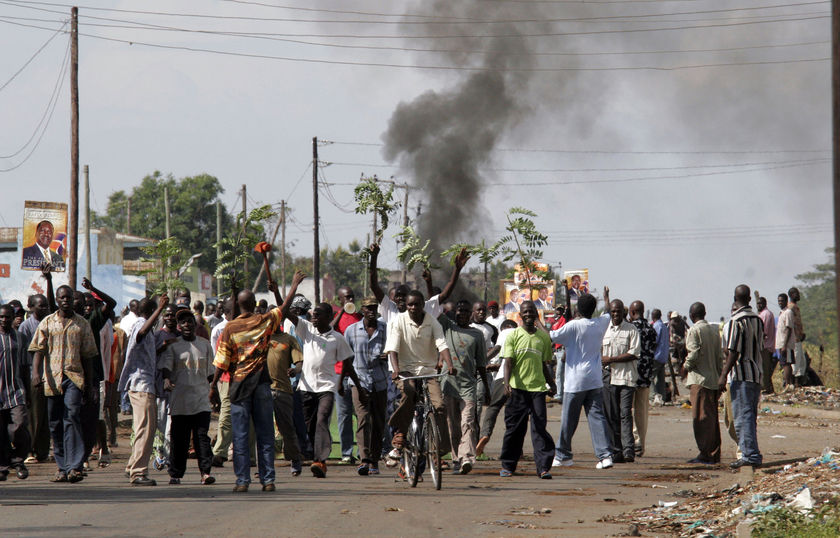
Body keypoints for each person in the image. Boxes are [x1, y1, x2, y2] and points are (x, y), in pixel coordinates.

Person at [212, 273, 300, 493]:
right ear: (253, 304)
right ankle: (268, 480)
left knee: (241, 436)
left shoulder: (230, 328)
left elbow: (221, 362)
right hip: (262, 384)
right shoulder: (264, 321)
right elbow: (284, 307)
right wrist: (294, 285)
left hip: (239, 386)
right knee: (266, 434)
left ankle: (242, 481)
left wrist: (213, 386)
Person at [282, 274, 354, 479]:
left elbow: (348, 362)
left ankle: (320, 461)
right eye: (313, 314)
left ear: (329, 317)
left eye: (318, 314)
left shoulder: (337, 338)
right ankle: (314, 457)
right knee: (310, 426)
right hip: (305, 387)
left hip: (327, 388)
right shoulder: (307, 330)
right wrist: (294, 285)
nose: (313, 316)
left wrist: (342, 383)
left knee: (322, 419)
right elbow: (284, 309)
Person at [30, 285, 99, 483]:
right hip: (52, 379)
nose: (66, 300)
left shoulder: (82, 324)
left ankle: (75, 466)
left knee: (72, 416)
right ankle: (62, 466)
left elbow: (88, 356)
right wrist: (36, 373)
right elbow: (38, 350)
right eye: (62, 298)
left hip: (74, 378)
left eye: (69, 297)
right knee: (55, 423)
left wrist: (89, 383)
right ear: (57, 300)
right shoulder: (47, 322)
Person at [385, 289, 455, 465]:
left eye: (417, 304)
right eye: (410, 304)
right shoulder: (398, 321)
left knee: (439, 405)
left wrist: (450, 364)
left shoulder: (432, 322)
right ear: (406, 306)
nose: (413, 307)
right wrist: (396, 370)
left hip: (427, 371)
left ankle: (442, 447)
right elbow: (392, 349)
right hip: (405, 371)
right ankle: (400, 433)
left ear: (423, 305)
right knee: (409, 392)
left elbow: (442, 344)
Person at [549, 287, 615, 470]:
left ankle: (563, 455)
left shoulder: (574, 325)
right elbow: (608, 312)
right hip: (594, 379)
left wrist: (539, 322)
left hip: (575, 381)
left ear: (578, 309)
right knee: (597, 418)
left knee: (569, 420)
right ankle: (605, 455)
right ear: (594, 309)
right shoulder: (600, 323)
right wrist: (606, 297)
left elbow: (552, 335)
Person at [498, 301, 556, 479]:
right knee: (515, 429)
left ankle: (543, 468)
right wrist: (507, 383)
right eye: (525, 312)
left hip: (538, 389)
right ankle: (508, 465)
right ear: (520, 315)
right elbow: (508, 362)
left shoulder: (543, 338)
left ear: (536, 315)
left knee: (539, 428)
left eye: (531, 312)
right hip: (517, 389)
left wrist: (551, 384)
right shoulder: (513, 335)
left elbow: (545, 364)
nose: (529, 315)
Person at [159, 309, 216, 485]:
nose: (186, 325)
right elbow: (166, 367)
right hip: (180, 400)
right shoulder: (173, 345)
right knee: (179, 439)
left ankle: (205, 473)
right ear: (178, 326)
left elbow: (211, 373)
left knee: (201, 438)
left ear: (195, 324)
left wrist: (214, 393)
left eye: (189, 321)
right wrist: (167, 380)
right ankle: (175, 474)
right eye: (182, 322)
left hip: (201, 398)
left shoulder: (205, 344)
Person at [118, 295, 169, 486]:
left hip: (145, 384)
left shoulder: (146, 327)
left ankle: (132, 465)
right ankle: (138, 472)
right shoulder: (141, 323)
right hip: (141, 385)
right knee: (145, 429)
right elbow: (142, 332)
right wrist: (159, 310)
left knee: (146, 426)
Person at [440, 300, 490, 475]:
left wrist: (487, 390)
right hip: (448, 385)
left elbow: (482, 364)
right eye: (459, 311)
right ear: (455, 313)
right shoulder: (447, 327)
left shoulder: (477, 335)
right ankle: (456, 459)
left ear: (471, 314)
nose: (461, 314)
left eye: (465, 311)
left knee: (467, 423)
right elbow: (434, 304)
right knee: (452, 425)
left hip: (468, 386)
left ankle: (466, 458)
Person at [341, 297, 389, 476]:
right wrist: (342, 382)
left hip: (380, 381)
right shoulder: (352, 330)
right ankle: (364, 459)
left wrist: (387, 357)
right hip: (358, 380)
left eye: (374, 307)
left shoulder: (385, 329)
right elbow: (346, 359)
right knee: (362, 419)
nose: (372, 310)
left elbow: (393, 350)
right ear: (362, 309)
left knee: (378, 422)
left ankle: (375, 460)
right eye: (368, 308)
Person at [718, 285, 764, 469]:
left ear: (734, 298)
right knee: (750, 416)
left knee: (742, 416)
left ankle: (749, 455)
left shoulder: (735, 321)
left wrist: (723, 376)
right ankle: (751, 452)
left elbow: (733, 352)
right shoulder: (757, 320)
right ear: (750, 299)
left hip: (741, 374)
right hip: (756, 373)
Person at [264, 303, 305, 477]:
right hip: (262, 390)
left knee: (286, 427)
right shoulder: (260, 339)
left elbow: (299, 362)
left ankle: (295, 458)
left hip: (282, 390)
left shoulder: (289, 339)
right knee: (263, 429)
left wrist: (295, 370)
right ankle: (264, 465)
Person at [680, 302, 723, 464]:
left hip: (699, 380)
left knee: (700, 418)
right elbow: (720, 357)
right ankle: (714, 452)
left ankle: (705, 453)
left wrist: (685, 367)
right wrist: (720, 378)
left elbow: (693, 354)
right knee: (712, 418)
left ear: (691, 316)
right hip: (713, 379)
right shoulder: (713, 331)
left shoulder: (694, 330)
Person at [601, 299, 641, 463]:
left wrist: (612, 359)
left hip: (626, 378)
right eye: (613, 311)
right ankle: (616, 451)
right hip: (609, 377)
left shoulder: (631, 330)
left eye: (618, 311)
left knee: (625, 414)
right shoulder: (604, 330)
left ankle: (628, 450)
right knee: (612, 415)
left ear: (623, 313)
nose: (615, 314)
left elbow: (634, 353)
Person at [19, 285, 53, 464]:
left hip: (50, 374)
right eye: (40, 305)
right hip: (34, 374)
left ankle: (43, 450)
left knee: (46, 415)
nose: (44, 308)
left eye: (46, 305)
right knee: (34, 415)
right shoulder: (26, 326)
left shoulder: (49, 322)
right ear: (31, 307)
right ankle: (30, 449)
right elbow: (25, 355)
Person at [476, 319, 518, 456]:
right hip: (520, 380)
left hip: (502, 378)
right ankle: (516, 450)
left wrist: (480, 362)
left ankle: (485, 434)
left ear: (505, 327)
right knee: (516, 416)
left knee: (493, 408)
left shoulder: (505, 331)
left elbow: (498, 349)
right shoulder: (522, 333)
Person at [331, 285, 363, 465]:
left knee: (361, 414)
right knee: (343, 415)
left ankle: (362, 451)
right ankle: (346, 452)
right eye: (346, 298)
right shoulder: (337, 318)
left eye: (352, 297)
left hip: (357, 373)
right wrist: (342, 312)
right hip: (340, 373)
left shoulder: (360, 318)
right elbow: (329, 329)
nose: (350, 300)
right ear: (340, 300)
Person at [0, 304, 31, 481]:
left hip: (16, 391)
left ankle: (19, 461)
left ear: (13, 318)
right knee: (1, 432)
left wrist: (28, 392)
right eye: (1, 317)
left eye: (7, 317)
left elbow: (25, 367)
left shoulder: (20, 338)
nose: (4, 320)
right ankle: (3, 466)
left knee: (19, 426)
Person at [628, 301, 656, 458]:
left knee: (627, 411)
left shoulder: (631, 328)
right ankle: (641, 445)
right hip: (646, 376)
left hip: (631, 375)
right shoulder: (651, 329)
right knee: (642, 412)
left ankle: (633, 442)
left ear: (632, 312)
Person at [775, 293, 796, 391]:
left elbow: (788, 329)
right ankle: (788, 384)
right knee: (784, 364)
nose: (780, 302)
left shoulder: (788, 312)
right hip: (780, 343)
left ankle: (788, 385)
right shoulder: (782, 312)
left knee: (786, 364)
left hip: (785, 344)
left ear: (786, 301)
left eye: (782, 301)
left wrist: (784, 345)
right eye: (779, 301)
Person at [755, 297, 776, 394]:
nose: (759, 305)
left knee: (764, 369)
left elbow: (764, 332)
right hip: (765, 346)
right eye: (758, 303)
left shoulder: (766, 314)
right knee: (765, 369)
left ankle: (765, 389)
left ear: (765, 304)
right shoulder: (763, 314)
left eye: (761, 303)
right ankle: (768, 388)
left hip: (766, 346)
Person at [787, 287, 807, 386]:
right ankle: (792, 383)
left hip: (798, 338)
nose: (798, 295)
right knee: (795, 362)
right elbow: (789, 324)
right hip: (794, 339)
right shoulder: (790, 308)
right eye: (796, 293)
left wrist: (802, 333)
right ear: (792, 295)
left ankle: (799, 383)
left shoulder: (795, 307)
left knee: (802, 362)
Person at [650, 309, 670, 404]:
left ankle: (653, 396)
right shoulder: (664, 326)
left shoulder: (656, 326)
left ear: (652, 317)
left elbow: (654, 341)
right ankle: (663, 397)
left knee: (650, 376)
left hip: (657, 356)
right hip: (663, 356)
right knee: (661, 378)